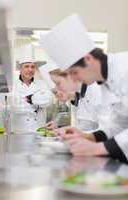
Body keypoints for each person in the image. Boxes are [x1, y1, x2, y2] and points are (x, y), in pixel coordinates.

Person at [40, 14, 128, 163]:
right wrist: (89, 137)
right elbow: (119, 125)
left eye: (74, 72)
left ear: (88, 59)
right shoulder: (106, 81)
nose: (73, 79)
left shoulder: (125, 68)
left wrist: (98, 148)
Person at [11, 60, 52, 133]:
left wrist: (28, 99)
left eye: (33, 67)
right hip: (19, 132)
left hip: (39, 130)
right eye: (26, 66)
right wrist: (37, 101)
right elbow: (15, 106)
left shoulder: (42, 84)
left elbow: (48, 101)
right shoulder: (12, 85)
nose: (30, 70)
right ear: (20, 69)